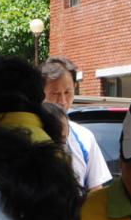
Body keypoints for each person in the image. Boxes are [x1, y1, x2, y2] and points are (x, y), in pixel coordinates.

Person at [41, 55, 112, 190]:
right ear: (41, 93)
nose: (62, 101)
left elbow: (95, 191)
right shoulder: (29, 134)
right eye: (55, 93)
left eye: (67, 92)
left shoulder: (85, 138)